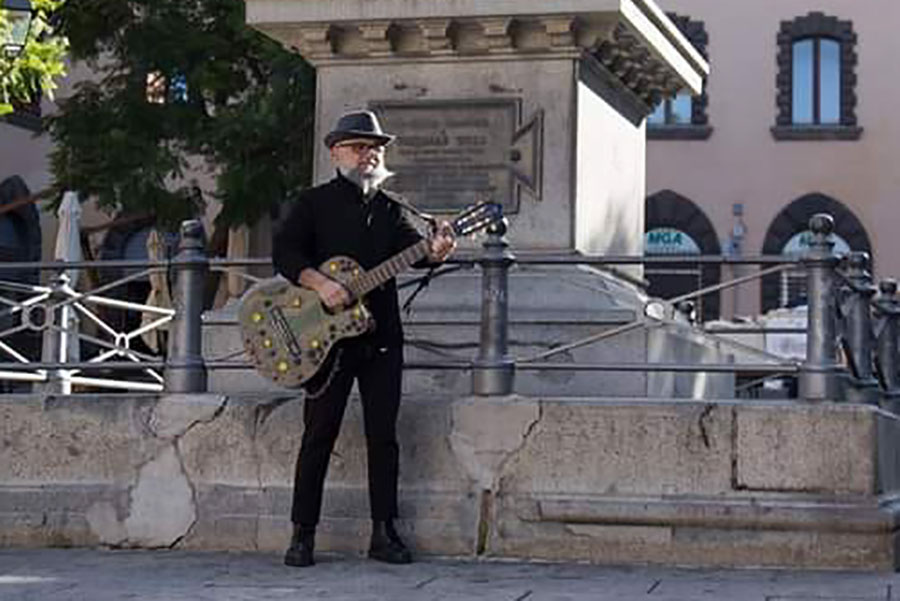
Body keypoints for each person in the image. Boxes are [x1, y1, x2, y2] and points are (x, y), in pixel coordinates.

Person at [272, 110, 455, 567]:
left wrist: (437, 251)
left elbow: (418, 255)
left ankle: (384, 532)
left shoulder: (393, 209)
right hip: (325, 340)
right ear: (335, 152)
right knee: (319, 433)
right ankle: (302, 534)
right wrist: (319, 283)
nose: (369, 154)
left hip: (382, 338)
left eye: (375, 148)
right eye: (358, 146)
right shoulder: (314, 203)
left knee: (383, 436)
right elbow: (284, 252)